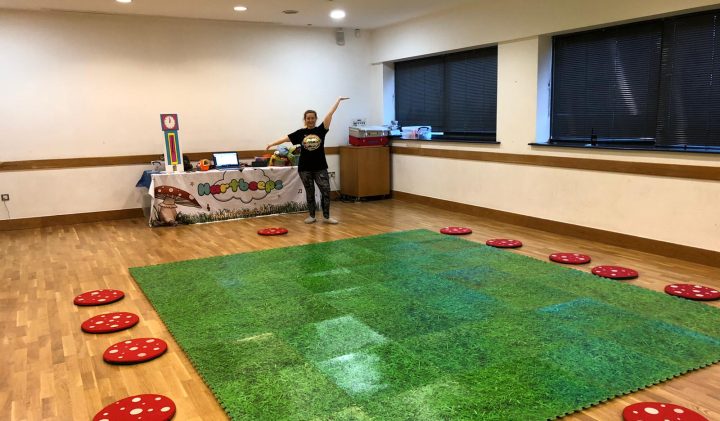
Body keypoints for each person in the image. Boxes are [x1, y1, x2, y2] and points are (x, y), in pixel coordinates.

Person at [267, 96, 349, 224]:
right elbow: (285, 139)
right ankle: (312, 216)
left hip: (320, 167)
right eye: (308, 118)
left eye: (312, 118)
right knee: (309, 192)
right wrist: (271, 143)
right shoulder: (300, 133)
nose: (310, 120)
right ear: (305, 120)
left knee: (326, 191)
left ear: (316, 119)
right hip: (305, 168)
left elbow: (330, 114)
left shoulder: (321, 130)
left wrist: (337, 101)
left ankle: (326, 217)